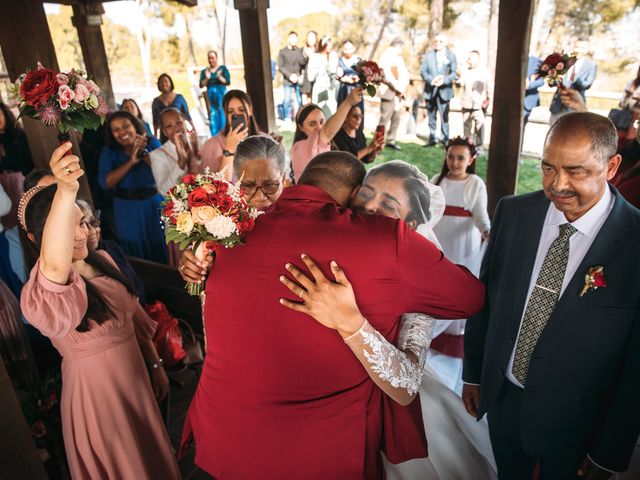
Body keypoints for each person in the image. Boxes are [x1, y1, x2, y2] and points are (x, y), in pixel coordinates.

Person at [180, 150, 485, 479]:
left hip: (222, 439)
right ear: (355, 194)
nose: (371, 209)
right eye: (368, 195)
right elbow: (470, 298)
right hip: (316, 453)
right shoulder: (384, 241)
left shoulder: (228, 235)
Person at [283, 160, 496, 479]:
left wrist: (352, 323)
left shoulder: (415, 280)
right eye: (365, 195)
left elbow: (407, 382)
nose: (369, 207)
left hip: (381, 408)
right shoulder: (327, 239)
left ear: (409, 227)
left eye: (388, 204)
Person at [463, 112, 640, 479]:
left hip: (579, 421)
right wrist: (475, 374)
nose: (557, 185)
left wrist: (610, 450)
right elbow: (488, 299)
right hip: (504, 400)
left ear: (612, 167)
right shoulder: (513, 213)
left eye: (575, 171)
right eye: (547, 169)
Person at [19, 143, 180, 480]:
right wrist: (64, 190)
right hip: (99, 400)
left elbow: (133, 319)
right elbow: (54, 262)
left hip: (135, 381)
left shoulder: (103, 260)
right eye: (66, 227)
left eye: (82, 222)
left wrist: (155, 364)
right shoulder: (45, 291)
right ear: (39, 237)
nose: (80, 235)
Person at [178, 135, 286, 283]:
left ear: (283, 179)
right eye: (248, 186)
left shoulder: (298, 221)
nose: (260, 196)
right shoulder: (221, 219)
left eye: (270, 185)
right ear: (236, 182)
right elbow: (203, 259)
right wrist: (194, 264)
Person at [430, 137, 490, 395]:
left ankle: (456, 339)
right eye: (451, 157)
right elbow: (428, 212)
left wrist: (486, 230)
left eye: (461, 158)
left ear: (471, 160)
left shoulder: (474, 184)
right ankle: (434, 337)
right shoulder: (436, 181)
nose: (455, 162)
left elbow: (480, 214)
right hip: (441, 238)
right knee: (438, 283)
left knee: (459, 283)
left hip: (464, 241)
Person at [98, 111, 167, 263]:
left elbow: (165, 171)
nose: (122, 132)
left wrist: (144, 154)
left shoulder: (151, 143)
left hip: (153, 203)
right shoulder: (109, 152)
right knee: (135, 248)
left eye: (126, 126)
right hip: (127, 208)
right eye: (116, 129)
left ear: (134, 126)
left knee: (161, 243)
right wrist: (132, 161)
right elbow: (105, 183)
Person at [291, 87, 363, 183]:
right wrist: (348, 103)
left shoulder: (296, 146)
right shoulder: (305, 146)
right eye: (312, 124)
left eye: (322, 121)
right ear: (301, 127)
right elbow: (327, 132)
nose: (319, 128)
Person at [199, 89, 263, 181]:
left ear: (250, 110)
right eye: (230, 111)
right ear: (225, 114)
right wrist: (229, 149)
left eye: (241, 110)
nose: (236, 114)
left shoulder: (264, 140)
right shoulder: (211, 146)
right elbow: (216, 187)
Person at [150, 108, 201, 195]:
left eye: (179, 122)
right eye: (169, 126)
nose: (176, 128)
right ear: (164, 132)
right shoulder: (157, 155)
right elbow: (163, 191)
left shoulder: (198, 142)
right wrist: (181, 162)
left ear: (185, 123)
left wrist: (196, 153)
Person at [0, 102, 34, 230]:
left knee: (26, 221)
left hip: (21, 184)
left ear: (5, 114)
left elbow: (28, 163)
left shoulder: (19, 136)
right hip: (3, 190)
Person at [420, 33, 458, 147]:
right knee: (431, 117)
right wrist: (432, 80)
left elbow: (454, 73)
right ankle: (432, 138)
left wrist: (444, 80)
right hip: (430, 90)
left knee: (444, 117)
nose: (438, 43)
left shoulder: (451, 55)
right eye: (436, 41)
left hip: (445, 91)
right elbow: (423, 72)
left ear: (445, 43)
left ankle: (445, 139)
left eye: (440, 41)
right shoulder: (428, 55)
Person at [549, 38, 597, 125]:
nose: (579, 50)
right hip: (558, 104)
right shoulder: (564, 61)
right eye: (577, 47)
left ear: (587, 49)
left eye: (582, 48)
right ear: (573, 47)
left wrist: (574, 79)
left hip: (575, 105)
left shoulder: (591, 65)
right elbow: (552, 82)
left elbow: (587, 84)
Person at [378, 38, 410, 151]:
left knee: (396, 118)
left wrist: (403, 88)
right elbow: (386, 76)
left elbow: (405, 74)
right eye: (401, 47)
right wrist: (398, 88)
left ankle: (391, 140)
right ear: (397, 46)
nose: (401, 50)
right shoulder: (385, 56)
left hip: (398, 94)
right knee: (384, 118)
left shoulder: (399, 58)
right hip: (388, 92)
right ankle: (378, 141)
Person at [459, 51, 492, 150]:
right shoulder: (465, 71)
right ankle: (467, 147)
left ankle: (478, 147)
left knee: (480, 127)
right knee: (466, 127)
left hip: (479, 105)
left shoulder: (485, 72)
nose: (468, 61)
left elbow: (490, 87)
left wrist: (489, 101)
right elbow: (459, 84)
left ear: (477, 59)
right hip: (466, 103)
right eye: (468, 58)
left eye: (471, 58)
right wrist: (457, 76)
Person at [307, 36, 340, 117]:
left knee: (331, 112)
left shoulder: (333, 56)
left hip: (331, 89)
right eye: (327, 44)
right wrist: (320, 70)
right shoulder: (315, 57)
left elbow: (335, 71)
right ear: (323, 44)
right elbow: (310, 77)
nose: (329, 47)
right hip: (319, 89)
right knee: (318, 111)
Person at [200, 50, 230, 136]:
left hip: (221, 95)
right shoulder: (205, 71)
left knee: (223, 113)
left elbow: (227, 81)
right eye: (209, 58)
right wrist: (207, 78)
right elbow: (201, 85)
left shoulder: (222, 69)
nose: (211, 60)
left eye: (212, 58)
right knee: (213, 115)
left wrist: (219, 77)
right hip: (211, 98)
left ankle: (225, 134)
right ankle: (215, 136)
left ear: (216, 58)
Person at [151, 73, 192, 138]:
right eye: (161, 82)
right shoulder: (156, 101)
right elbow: (155, 122)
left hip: (180, 131)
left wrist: (193, 128)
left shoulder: (179, 98)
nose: (164, 84)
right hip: (165, 135)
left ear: (170, 83)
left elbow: (187, 115)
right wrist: (155, 136)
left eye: (166, 81)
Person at [278, 31, 306, 121]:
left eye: (295, 38)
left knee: (299, 100)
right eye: (292, 38)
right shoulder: (282, 51)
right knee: (287, 99)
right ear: (288, 39)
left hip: (298, 79)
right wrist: (290, 76)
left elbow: (303, 64)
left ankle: (300, 118)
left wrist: (299, 76)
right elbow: (280, 66)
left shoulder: (300, 51)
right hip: (287, 79)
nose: (293, 40)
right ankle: (287, 117)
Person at [336, 40, 364, 118]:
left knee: (357, 112)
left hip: (356, 88)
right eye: (346, 48)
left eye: (350, 48)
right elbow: (336, 76)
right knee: (343, 112)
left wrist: (357, 78)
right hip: (344, 89)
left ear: (353, 48)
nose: (348, 51)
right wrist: (342, 79)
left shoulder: (359, 60)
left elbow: (364, 75)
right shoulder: (339, 61)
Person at [524, 55, 544, 126]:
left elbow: (542, 81)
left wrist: (528, 85)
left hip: (527, 100)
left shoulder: (538, 62)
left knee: (522, 124)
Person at [301, 31, 319, 104]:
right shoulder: (303, 50)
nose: (310, 39)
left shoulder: (319, 50)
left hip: (317, 79)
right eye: (309, 37)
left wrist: (312, 56)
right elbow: (300, 63)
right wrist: (306, 56)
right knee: (306, 101)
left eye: (312, 37)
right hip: (306, 78)